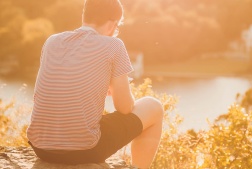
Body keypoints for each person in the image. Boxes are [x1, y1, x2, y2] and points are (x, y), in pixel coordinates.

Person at [26, 0, 163, 168]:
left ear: (84, 16)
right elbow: (125, 108)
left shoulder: (52, 42)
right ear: (113, 25)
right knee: (154, 106)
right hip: (84, 150)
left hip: (41, 148)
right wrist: (113, 85)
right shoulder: (114, 45)